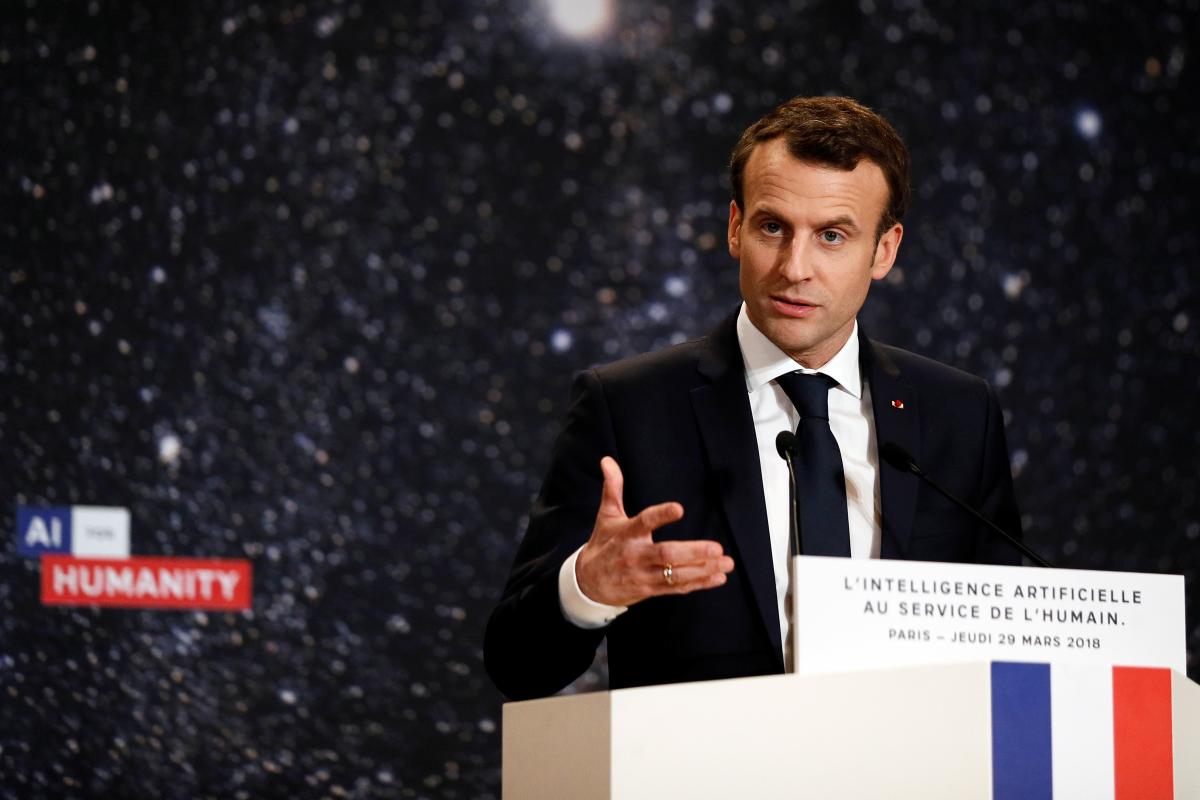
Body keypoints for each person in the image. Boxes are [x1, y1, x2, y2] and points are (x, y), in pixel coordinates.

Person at [485, 96, 1022, 701]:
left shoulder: (958, 414)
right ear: (735, 228)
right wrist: (587, 589)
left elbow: (1008, 639)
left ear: (885, 251)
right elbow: (515, 665)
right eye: (773, 227)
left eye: (832, 236)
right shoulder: (629, 407)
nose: (795, 268)